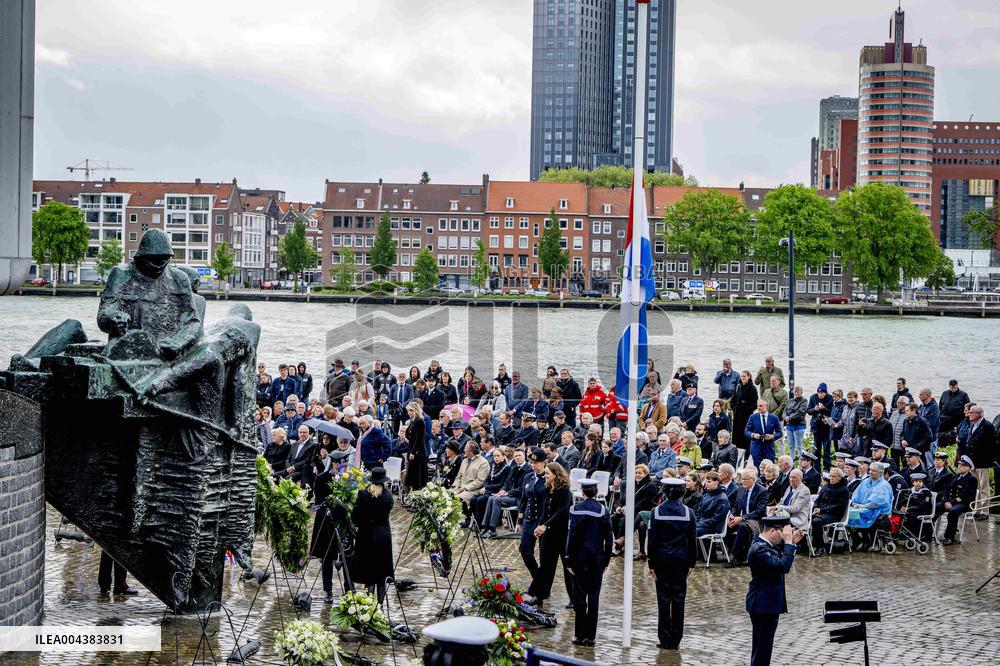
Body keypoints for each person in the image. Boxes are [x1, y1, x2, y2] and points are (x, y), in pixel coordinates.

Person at [746, 514, 804, 666]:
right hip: (763, 604)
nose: (783, 538)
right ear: (773, 531)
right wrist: (789, 544)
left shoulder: (765, 545)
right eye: (782, 534)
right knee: (762, 649)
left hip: (766, 604)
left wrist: (793, 543)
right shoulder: (759, 548)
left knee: (762, 647)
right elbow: (782, 566)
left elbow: (780, 557)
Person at [647, 477, 697, 651]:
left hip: (661, 560)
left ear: (665, 492)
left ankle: (664, 637)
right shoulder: (688, 512)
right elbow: (692, 540)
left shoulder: (656, 511)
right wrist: (692, 562)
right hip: (681, 561)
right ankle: (676, 637)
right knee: (678, 599)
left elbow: (652, 541)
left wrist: (650, 563)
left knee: (663, 599)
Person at [565, 479, 613, 647]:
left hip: (579, 558)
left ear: (583, 492)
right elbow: (609, 537)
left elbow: (571, 537)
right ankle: (591, 636)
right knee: (594, 597)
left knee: (579, 597)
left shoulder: (575, 510)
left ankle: (579, 635)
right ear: (596, 491)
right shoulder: (603, 510)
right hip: (597, 558)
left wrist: (568, 558)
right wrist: (607, 559)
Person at [524, 463, 572, 607]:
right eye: (545, 473)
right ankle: (539, 595)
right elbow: (545, 511)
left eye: (548, 474)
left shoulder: (565, 491)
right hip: (548, 534)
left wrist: (546, 525)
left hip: (562, 534)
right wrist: (539, 525)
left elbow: (562, 512)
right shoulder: (547, 489)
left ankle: (574, 598)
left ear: (556, 475)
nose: (545, 476)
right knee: (546, 566)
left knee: (567, 567)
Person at [348, 467, 394, 604]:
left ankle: (369, 604)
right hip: (383, 536)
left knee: (369, 574)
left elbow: (355, 516)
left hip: (366, 535)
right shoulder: (388, 496)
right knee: (381, 574)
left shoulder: (363, 494)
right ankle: (379, 606)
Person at [481, 449, 530, 538]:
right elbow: (506, 483)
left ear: (524, 456)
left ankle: (492, 529)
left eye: (519, 455)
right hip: (509, 495)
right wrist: (502, 490)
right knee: (491, 498)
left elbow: (522, 489)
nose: (517, 458)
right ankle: (485, 526)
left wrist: (507, 493)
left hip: (518, 497)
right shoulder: (514, 468)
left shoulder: (528, 470)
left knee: (497, 500)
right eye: (516, 456)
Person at [517, 449, 548, 584]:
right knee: (525, 550)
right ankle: (538, 579)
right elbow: (524, 500)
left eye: (537, 462)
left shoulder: (548, 478)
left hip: (543, 521)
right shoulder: (528, 477)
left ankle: (541, 586)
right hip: (529, 520)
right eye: (532, 462)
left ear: (544, 463)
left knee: (544, 555)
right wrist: (520, 520)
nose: (534, 465)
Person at [728, 467, 769, 565]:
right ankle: (719, 553)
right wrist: (732, 515)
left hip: (756, 520)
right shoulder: (741, 489)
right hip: (741, 518)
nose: (742, 481)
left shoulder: (762, 491)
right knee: (726, 525)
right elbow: (735, 506)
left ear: (753, 480)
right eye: (742, 478)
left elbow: (760, 511)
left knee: (743, 527)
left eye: (745, 479)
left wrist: (742, 518)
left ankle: (737, 557)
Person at [848, 461, 893, 550]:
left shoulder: (883, 485)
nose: (871, 472)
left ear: (881, 473)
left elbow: (877, 503)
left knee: (862, 515)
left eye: (874, 471)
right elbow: (856, 494)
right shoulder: (866, 482)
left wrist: (862, 506)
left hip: (879, 511)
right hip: (863, 508)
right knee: (849, 515)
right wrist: (855, 503)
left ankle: (867, 541)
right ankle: (857, 539)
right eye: (870, 470)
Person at [964, 404, 996, 520]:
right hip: (972, 461)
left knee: (983, 486)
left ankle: (984, 511)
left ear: (978, 414)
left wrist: (989, 460)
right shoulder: (972, 424)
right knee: (975, 486)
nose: (969, 414)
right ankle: (976, 509)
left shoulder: (987, 426)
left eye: (971, 412)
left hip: (982, 461)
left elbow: (993, 445)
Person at [810, 467, 849, 553]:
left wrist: (822, 510)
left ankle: (819, 546)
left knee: (816, 521)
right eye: (830, 476)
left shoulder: (844, 490)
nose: (831, 478)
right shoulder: (826, 486)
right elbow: (817, 500)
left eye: (834, 476)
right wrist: (815, 508)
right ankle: (806, 544)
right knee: (808, 518)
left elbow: (840, 506)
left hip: (835, 514)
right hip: (822, 512)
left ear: (839, 478)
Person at [941, 456, 978, 545]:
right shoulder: (955, 476)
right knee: (936, 507)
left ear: (969, 468)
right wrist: (946, 501)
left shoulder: (972, 479)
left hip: (964, 504)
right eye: (960, 465)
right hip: (950, 502)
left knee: (953, 512)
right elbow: (946, 489)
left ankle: (949, 537)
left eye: (964, 466)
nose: (961, 467)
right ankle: (927, 533)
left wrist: (951, 502)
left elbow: (965, 495)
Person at [745, 399, 783, 469]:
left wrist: (772, 436)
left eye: (761, 406)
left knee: (770, 468)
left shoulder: (774, 418)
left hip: (768, 447)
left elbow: (780, 433)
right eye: (758, 406)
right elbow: (746, 431)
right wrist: (753, 435)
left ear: (766, 407)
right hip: (756, 446)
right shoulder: (753, 417)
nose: (759, 408)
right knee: (757, 468)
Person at [807, 384, 834, 471]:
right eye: (818, 392)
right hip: (816, 427)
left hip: (826, 427)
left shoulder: (830, 398)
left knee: (826, 449)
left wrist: (823, 409)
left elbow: (831, 412)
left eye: (822, 392)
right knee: (816, 449)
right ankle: (816, 468)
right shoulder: (813, 397)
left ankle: (827, 468)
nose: (820, 394)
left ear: (825, 392)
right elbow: (808, 411)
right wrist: (815, 409)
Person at [403, 401, 428, 492]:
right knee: (412, 477)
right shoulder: (413, 421)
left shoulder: (420, 421)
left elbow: (420, 439)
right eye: (408, 410)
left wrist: (413, 452)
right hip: (412, 450)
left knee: (417, 478)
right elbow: (409, 435)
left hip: (418, 453)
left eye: (411, 410)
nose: (409, 413)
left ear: (415, 410)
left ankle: (416, 496)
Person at [696, 471, 730, 537]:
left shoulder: (722, 498)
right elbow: (698, 512)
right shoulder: (705, 496)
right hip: (703, 524)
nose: (706, 484)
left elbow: (716, 519)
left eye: (709, 482)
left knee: (690, 531)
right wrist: (696, 522)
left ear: (716, 482)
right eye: (706, 481)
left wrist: (699, 524)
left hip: (713, 528)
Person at [782, 385, 808, 460]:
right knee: (790, 446)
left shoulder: (804, 401)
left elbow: (800, 412)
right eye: (795, 392)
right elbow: (784, 411)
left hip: (799, 426)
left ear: (801, 392)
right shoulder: (790, 401)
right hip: (789, 426)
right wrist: (785, 417)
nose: (796, 393)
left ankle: (801, 463)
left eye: (798, 392)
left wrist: (790, 417)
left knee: (799, 445)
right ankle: (791, 462)